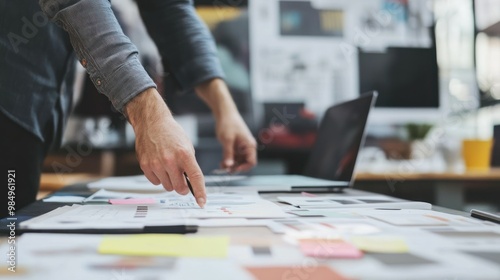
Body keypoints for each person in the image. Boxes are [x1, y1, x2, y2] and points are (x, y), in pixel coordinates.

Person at [0, 0, 257, 218]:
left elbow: (170, 7)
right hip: (10, 94)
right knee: (8, 246)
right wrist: (149, 115)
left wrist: (225, 109)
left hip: (33, 108)